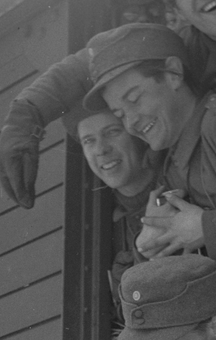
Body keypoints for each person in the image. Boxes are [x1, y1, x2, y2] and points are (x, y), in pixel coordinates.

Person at [0, 0, 216, 209]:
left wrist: (205, 228)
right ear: (176, 7)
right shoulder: (190, 45)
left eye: (134, 99)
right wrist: (27, 114)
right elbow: (99, 58)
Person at [84, 22, 216, 271]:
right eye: (120, 114)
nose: (131, 123)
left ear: (173, 73)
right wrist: (146, 248)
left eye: (135, 99)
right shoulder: (171, 166)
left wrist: (207, 228)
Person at [65, 102, 157, 311]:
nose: (101, 149)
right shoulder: (101, 224)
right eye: (89, 141)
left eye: (112, 132)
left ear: (136, 133)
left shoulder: (179, 183)